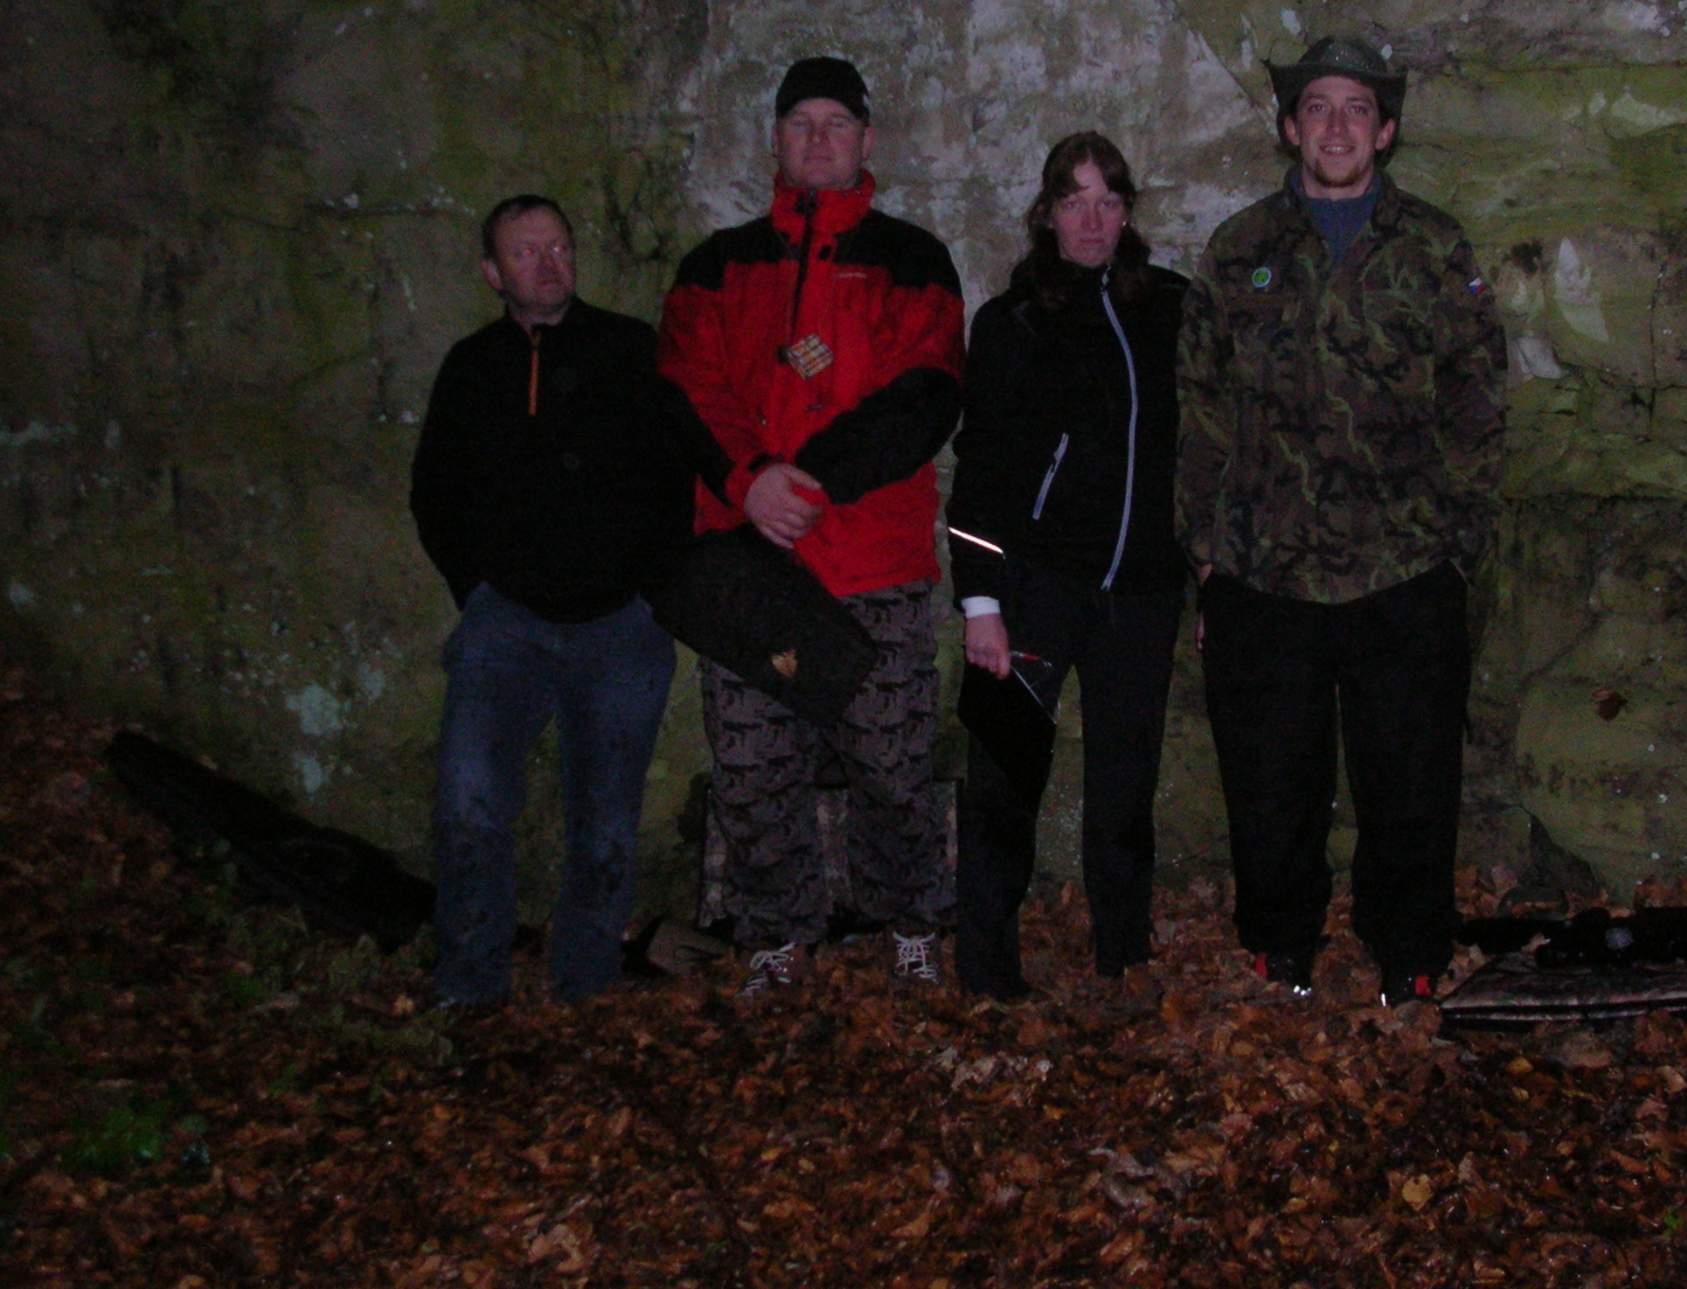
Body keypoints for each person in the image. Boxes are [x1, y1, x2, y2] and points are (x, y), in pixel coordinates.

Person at [1177, 36, 1507, 1004]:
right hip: (1263, 567)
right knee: (1270, 777)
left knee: (1409, 777)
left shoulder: (1434, 248)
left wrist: (1458, 544)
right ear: (1289, 127)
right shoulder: (1238, 250)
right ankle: (1279, 942)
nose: (1335, 125)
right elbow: (1200, 408)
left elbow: (1476, 400)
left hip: (1402, 566)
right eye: (1316, 106)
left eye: (1355, 108)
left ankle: (1408, 947)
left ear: (1385, 130)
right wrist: (1206, 551)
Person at [657, 56, 964, 993]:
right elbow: (686, 385)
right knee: (753, 771)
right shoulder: (716, 265)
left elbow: (925, 393)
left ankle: (910, 920)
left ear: (867, 139)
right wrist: (750, 482)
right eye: (802, 123)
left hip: (871, 557)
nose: (819, 139)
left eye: (837, 123)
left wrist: (813, 480)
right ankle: (777, 934)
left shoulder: (913, 258)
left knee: (895, 766)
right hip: (748, 563)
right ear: (776, 140)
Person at [411, 194, 692, 1006]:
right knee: (469, 803)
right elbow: (435, 491)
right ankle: (470, 984)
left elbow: (677, 472)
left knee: (605, 823)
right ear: (492, 272)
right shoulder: (472, 366)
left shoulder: (629, 349)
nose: (548, 263)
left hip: (621, 626)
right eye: (526, 251)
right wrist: (479, 590)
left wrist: (649, 586)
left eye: (559, 246)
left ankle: (586, 985)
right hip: (507, 625)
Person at [947, 132, 1187, 1000]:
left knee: (1125, 785)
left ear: (1128, 214)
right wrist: (980, 602)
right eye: (1075, 201)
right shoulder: (1011, 322)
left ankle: (1123, 954)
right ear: (1047, 213)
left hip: (1141, 593)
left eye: (1108, 202)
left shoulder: (1171, 309)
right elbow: (980, 470)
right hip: (1034, 590)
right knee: (1003, 779)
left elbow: (1207, 445)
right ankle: (986, 967)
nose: (1092, 220)